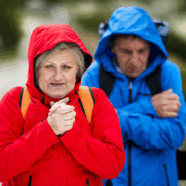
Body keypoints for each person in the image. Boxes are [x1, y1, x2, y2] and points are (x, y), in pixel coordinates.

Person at [0, 24, 125, 186]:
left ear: (78, 71)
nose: (58, 76)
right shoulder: (16, 101)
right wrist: (49, 129)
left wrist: (70, 132)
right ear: (35, 69)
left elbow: (113, 167)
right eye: (49, 66)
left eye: (66, 67)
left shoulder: (95, 101)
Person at [81, 6, 186, 186]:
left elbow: (173, 136)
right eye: (126, 52)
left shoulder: (168, 73)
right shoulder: (93, 76)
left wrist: (110, 119)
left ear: (152, 47)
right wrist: (148, 107)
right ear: (112, 47)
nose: (135, 61)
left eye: (142, 51)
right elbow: (87, 136)